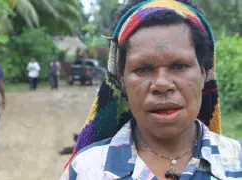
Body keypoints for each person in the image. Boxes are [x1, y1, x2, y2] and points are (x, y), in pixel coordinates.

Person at [61, 0, 242, 179]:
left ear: (203, 75)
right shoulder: (85, 170)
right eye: (143, 69)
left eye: (179, 65)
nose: (162, 84)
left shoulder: (237, 162)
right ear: (122, 81)